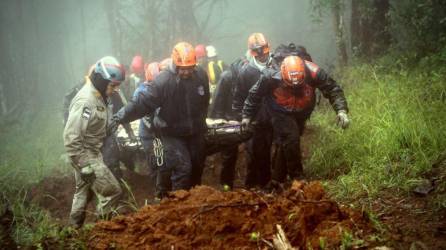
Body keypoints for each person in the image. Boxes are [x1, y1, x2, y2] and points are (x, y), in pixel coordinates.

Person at [109, 42, 210, 196]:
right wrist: (119, 118)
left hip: (195, 131)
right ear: (175, 64)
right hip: (171, 132)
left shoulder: (201, 75)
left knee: (197, 166)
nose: (186, 72)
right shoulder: (163, 81)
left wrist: (202, 123)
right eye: (182, 69)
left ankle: (195, 202)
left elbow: (204, 100)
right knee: (183, 168)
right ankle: (178, 204)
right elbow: (141, 103)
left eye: (189, 68)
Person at [242, 56, 350, 184]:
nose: (294, 89)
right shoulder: (269, 76)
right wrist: (246, 116)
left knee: (287, 142)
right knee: (291, 137)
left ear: (304, 74)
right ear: (282, 75)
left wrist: (341, 111)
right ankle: (297, 178)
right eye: (289, 86)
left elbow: (332, 89)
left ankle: (277, 180)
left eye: (298, 86)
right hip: (278, 110)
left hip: (302, 110)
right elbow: (254, 94)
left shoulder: (314, 72)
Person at [63, 56, 125, 228]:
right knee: (113, 192)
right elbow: (71, 137)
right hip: (85, 155)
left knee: (82, 192)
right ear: (101, 80)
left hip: (90, 152)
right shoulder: (86, 101)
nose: (114, 90)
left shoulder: (99, 95)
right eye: (112, 85)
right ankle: (101, 232)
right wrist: (83, 165)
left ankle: (74, 231)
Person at [233, 32, 274, 188]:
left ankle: (271, 186)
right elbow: (238, 98)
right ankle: (251, 188)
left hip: (275, 118)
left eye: (264, 49)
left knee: (274, 154)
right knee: (254, 155)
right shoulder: (246, 72)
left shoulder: (277, 66)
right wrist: (241, 118)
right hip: (254, 121)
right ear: (252, 53)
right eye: (258, 51)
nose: (262, 54)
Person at [208, 56, 249, 189]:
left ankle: (233, 184)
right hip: (226, 118)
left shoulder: (251, 76)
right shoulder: (227, 77)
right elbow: (218, 99)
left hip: (241, 118)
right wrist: (218, 120)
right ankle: (223, 182)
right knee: (228, 152)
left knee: (239, 151)